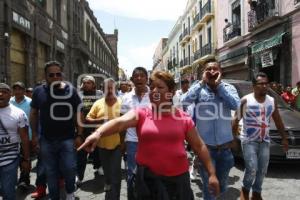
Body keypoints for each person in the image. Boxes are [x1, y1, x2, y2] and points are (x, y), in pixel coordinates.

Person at [78, 70, 220, 200]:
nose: (154, 91)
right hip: (147, 182)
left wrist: (212, 174)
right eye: (152, 87)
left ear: (171, 91)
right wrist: (98, 133)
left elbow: (199, 146)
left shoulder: (183, 118)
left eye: (160, 87)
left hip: (177, 182)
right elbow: (120, 122)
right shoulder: (142, 113)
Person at [182, 59, 240, 200]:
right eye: (209, 69)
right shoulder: (198, 88)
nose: (212, 72)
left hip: (225, 150)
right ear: (203, 73)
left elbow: (236, 105)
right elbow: (183, 102)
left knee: (223, 186)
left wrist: (219, 86)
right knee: (209, 190)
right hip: (205, 150)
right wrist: (201, 83)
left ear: (221, 72)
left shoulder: (229, 88)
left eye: (215, 69)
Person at [30, 61, 82, 200]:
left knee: (70, 168)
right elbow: (34, 113)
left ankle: (70, 192)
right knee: (50, 172)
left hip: (68, 139)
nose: (55, 77)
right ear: (45, 76)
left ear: (62, 75)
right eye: (51, 75)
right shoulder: (38, 91)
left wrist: (79, 134)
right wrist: (34, 135)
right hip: (46, 140)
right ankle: (54, 197)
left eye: (58, 74)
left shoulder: (71, 90)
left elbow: (78, 112)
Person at [232, 72, 289, 200]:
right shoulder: (246, 100)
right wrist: (233, 140)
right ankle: (245, 189)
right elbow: (235, 120)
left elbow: (278, 120)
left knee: (263, 169)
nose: (264, 86)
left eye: (266, 84)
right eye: (261, 84)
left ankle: (257, 192)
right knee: (252, 168)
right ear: (254, 86)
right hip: (248, 140)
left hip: (265, 140)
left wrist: (284, 138)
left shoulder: (272, 101)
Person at [85, 78, 122, 200]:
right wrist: (100, 120)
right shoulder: (97, 103)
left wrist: (124, 142)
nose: (110, 90)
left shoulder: (121, 103)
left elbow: (127, 122)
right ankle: (108, 189)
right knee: (107, 174)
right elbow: (88, 119)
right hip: (101, 145)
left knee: (116, 174)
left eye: (112, 88)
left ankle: (114, 196)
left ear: (115, 89)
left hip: (117, 144)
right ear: (102, 89)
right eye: (107, 88)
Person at [120, 67, 150, 200]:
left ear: (146, 79)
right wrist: (122, 142)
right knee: (132, 174)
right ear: (132, 79)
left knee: (150, 173)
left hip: (151, 141)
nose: (139, 78)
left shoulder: (154, 96)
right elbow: (121, 121)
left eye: (142, 76)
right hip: (132, 141)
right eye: (136, 76)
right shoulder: (126, 98)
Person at [0, 83, 30, 200]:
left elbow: (24, 138)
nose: (1, 94)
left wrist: (26, 160)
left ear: (10, 95)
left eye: (4, 91)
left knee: (8, 192)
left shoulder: (19, 113)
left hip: (10, 159)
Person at [76, 75, 103, 186]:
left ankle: (98, 166)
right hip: (83, 128)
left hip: (96, 127)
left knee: (97, 150)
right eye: (84, 83)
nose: (86, 85)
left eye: (88, 83)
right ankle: (79, 176)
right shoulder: (79, 95)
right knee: (81, 153)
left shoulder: (100, 95)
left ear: (93, 84)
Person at [10, 81, 32, 190]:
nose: (17, 91)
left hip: (27, 136)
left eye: (20, 89)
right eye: (15, 89)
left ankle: (24, 179)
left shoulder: (30, 103)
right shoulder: (8, 102)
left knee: (25, 158)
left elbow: (34, 119)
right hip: (12, 137)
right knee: (13, 159)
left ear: (24, 91)